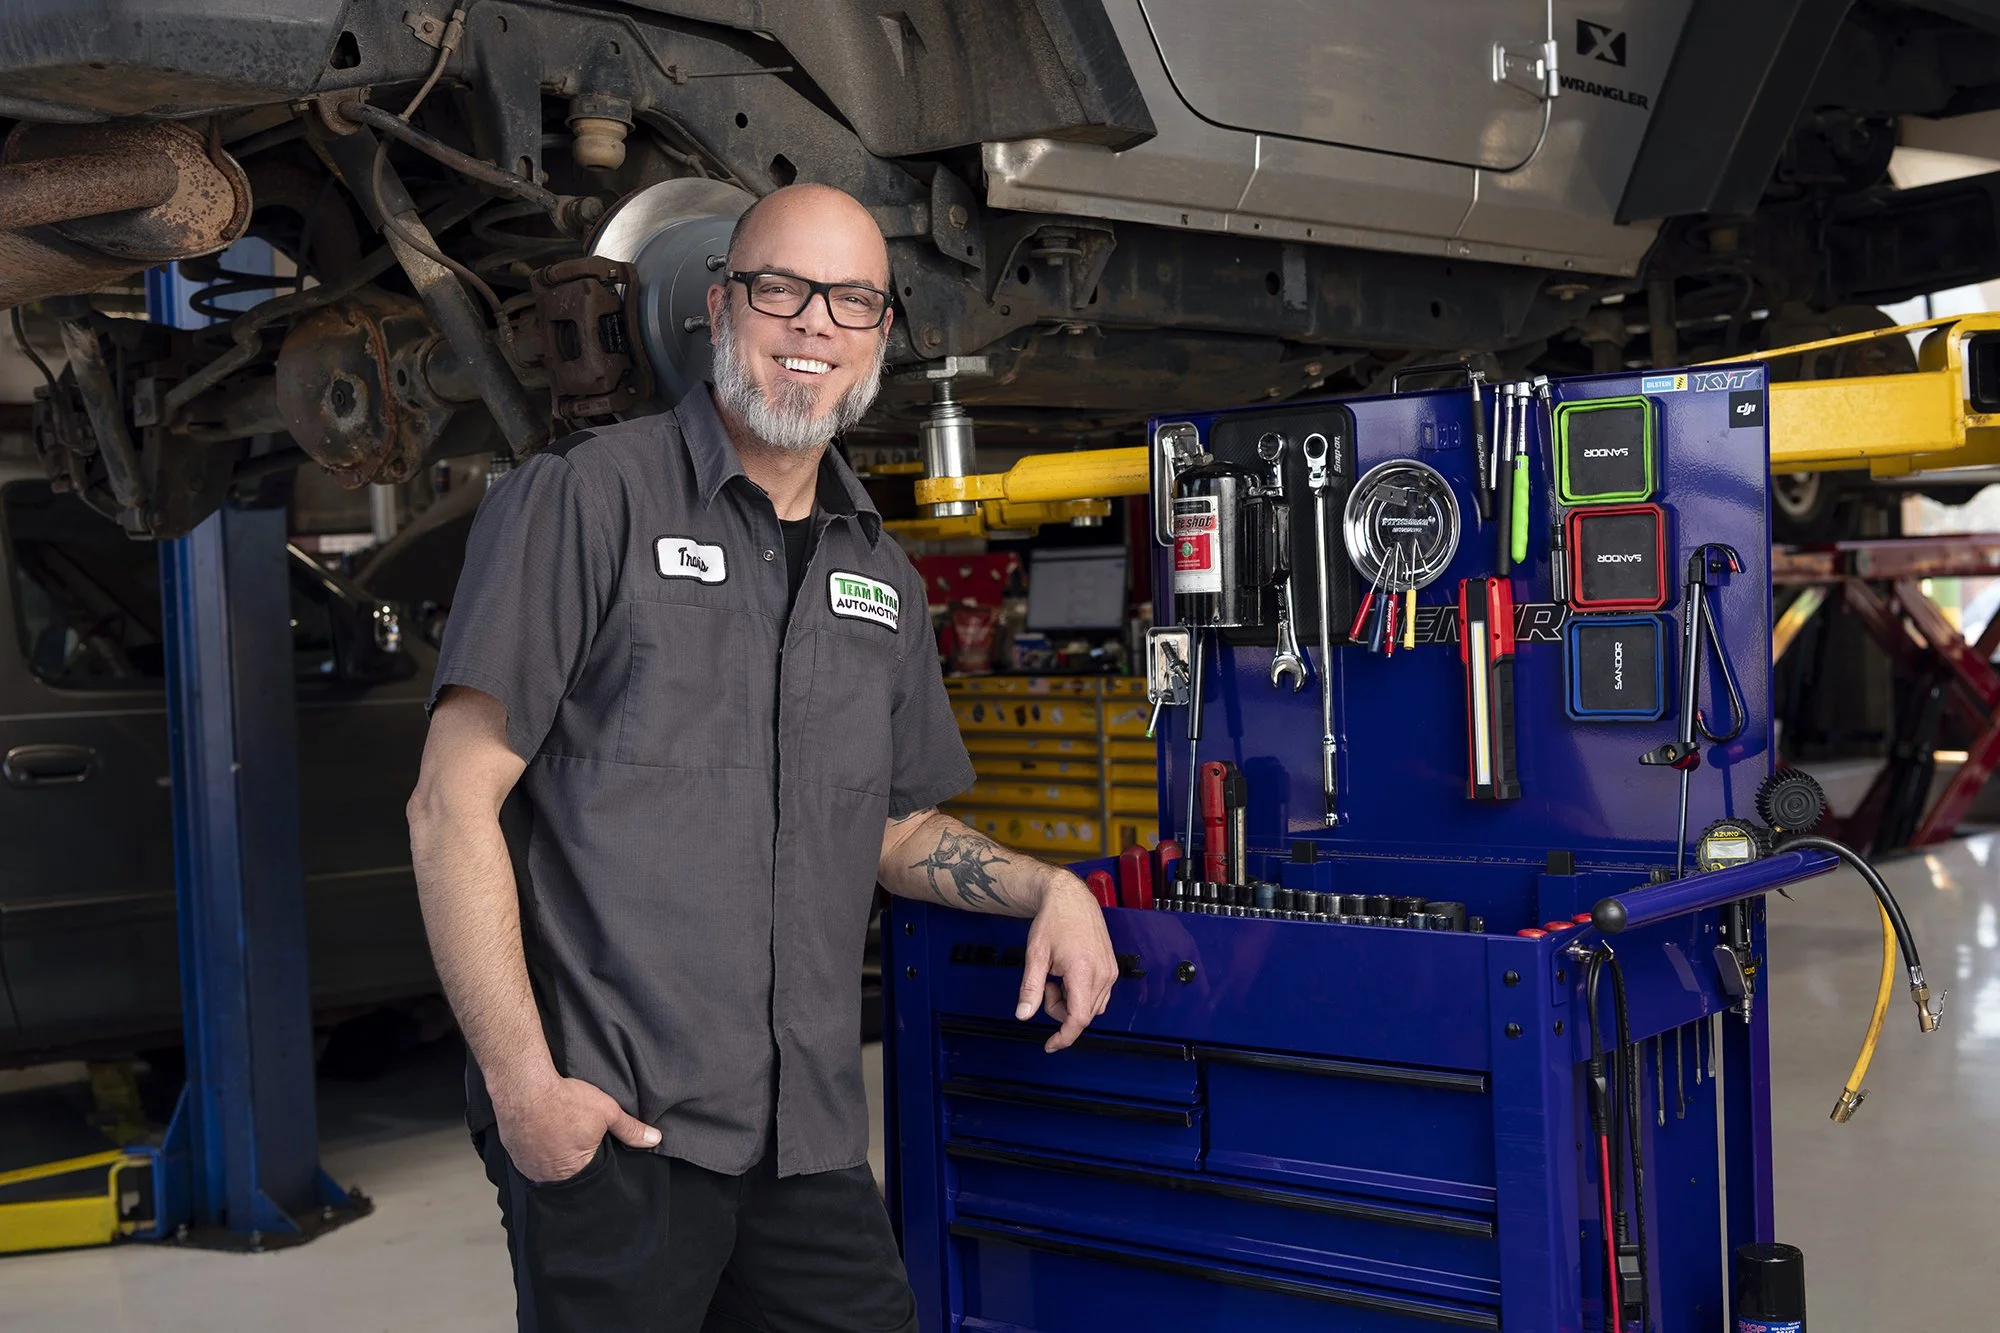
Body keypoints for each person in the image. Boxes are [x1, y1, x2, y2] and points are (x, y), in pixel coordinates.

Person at [406, 182, 1119, 1332]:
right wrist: (523, 1087)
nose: (812, 326)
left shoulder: (881, 579)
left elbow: (890, 827)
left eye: (848, 300)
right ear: (720, 306)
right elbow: (450, 803)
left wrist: (1048, 886)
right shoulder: (590, 499)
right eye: (780, 289)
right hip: (618, 1129)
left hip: (804, 1141)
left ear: (880, 334)